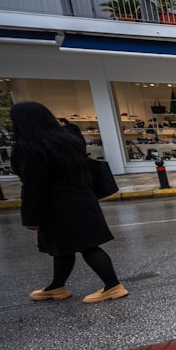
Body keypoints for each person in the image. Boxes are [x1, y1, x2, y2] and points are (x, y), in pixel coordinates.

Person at [10, 101, 129, 304]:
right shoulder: (68, 140)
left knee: (86, 246)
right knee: (65, 247)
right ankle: (57, 286)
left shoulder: (30, 146)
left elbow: (33, 185)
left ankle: (112, 286)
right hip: (82, 199)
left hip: (56, 205)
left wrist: (31, 216)